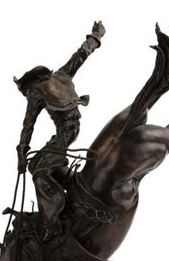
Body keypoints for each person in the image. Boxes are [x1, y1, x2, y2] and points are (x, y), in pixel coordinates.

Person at [14, 21, 105, 240]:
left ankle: (52, 221)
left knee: (39, 173)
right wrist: (95, 37)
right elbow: (80, 56)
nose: (27, 96)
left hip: (65, 134)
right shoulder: (61, 75)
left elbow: (28, 124)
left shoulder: (36, 91)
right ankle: (69, 183)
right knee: (37, 164)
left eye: (25, 92)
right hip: (73, 129)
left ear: (30, 84)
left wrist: (22, 151)